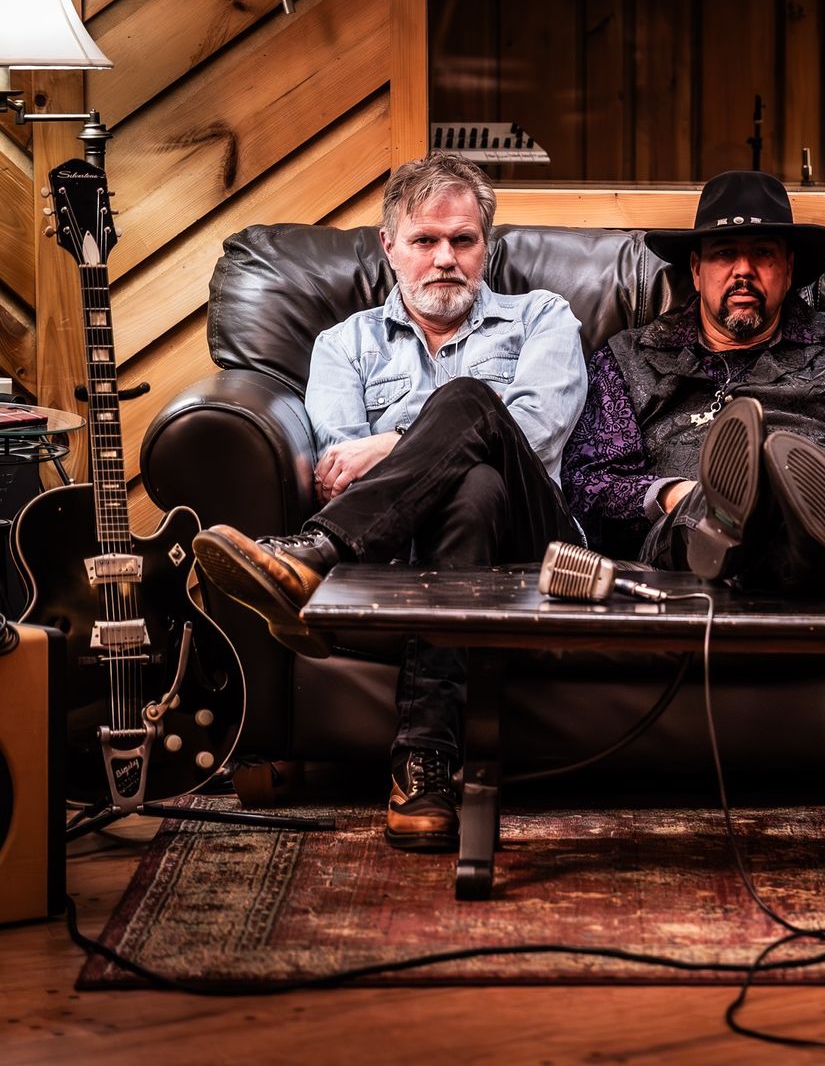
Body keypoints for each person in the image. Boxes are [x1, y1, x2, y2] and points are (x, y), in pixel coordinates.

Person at [191, 154, 587, 852]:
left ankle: (316, 553)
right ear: (389, 246)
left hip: (538, 548)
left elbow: (534, 428)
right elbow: (341, 470)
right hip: (409, 552)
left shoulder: (541, 318)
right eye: (425, 240)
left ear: (486, 247)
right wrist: (406, 455)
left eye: (463, 240)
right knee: (472, 488)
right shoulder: (344, 345)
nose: (445, 259)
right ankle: (422, 767)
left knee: (471, 401)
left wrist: (394, 441)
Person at [562, 170, 825, 594]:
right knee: (708, 508)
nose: (743, 270)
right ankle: (755, 520)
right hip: (698, 539)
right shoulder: (629, 358)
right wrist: (677, 494)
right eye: (726, 253)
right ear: (697, 270)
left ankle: (812, 509)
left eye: (763, 253)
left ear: (788, 269)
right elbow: (589, 484)